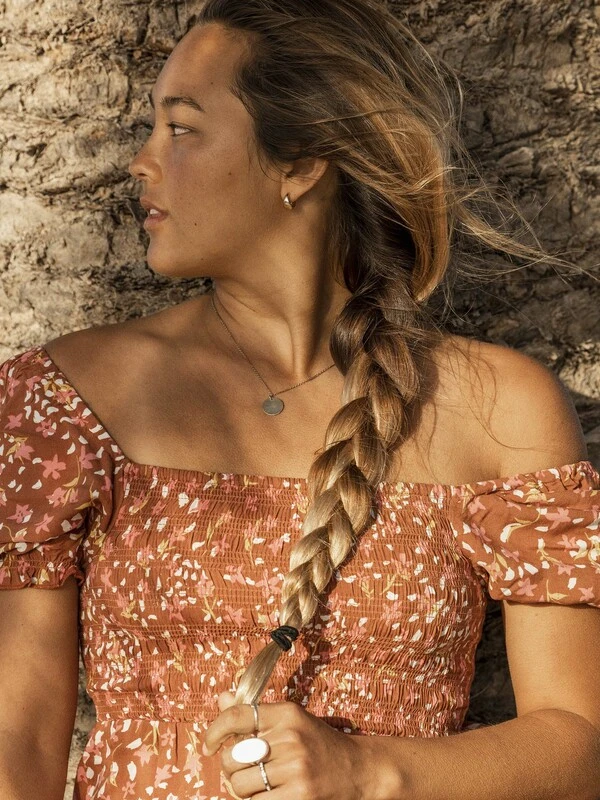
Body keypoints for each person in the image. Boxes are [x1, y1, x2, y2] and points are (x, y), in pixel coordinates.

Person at [0, 1, 599, 798]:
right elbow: (16, 744)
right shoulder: (63, 401)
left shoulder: (501, 410)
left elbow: (579, 748)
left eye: (181, 129)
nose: (140, 162)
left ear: (302, 163)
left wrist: (368, 769)